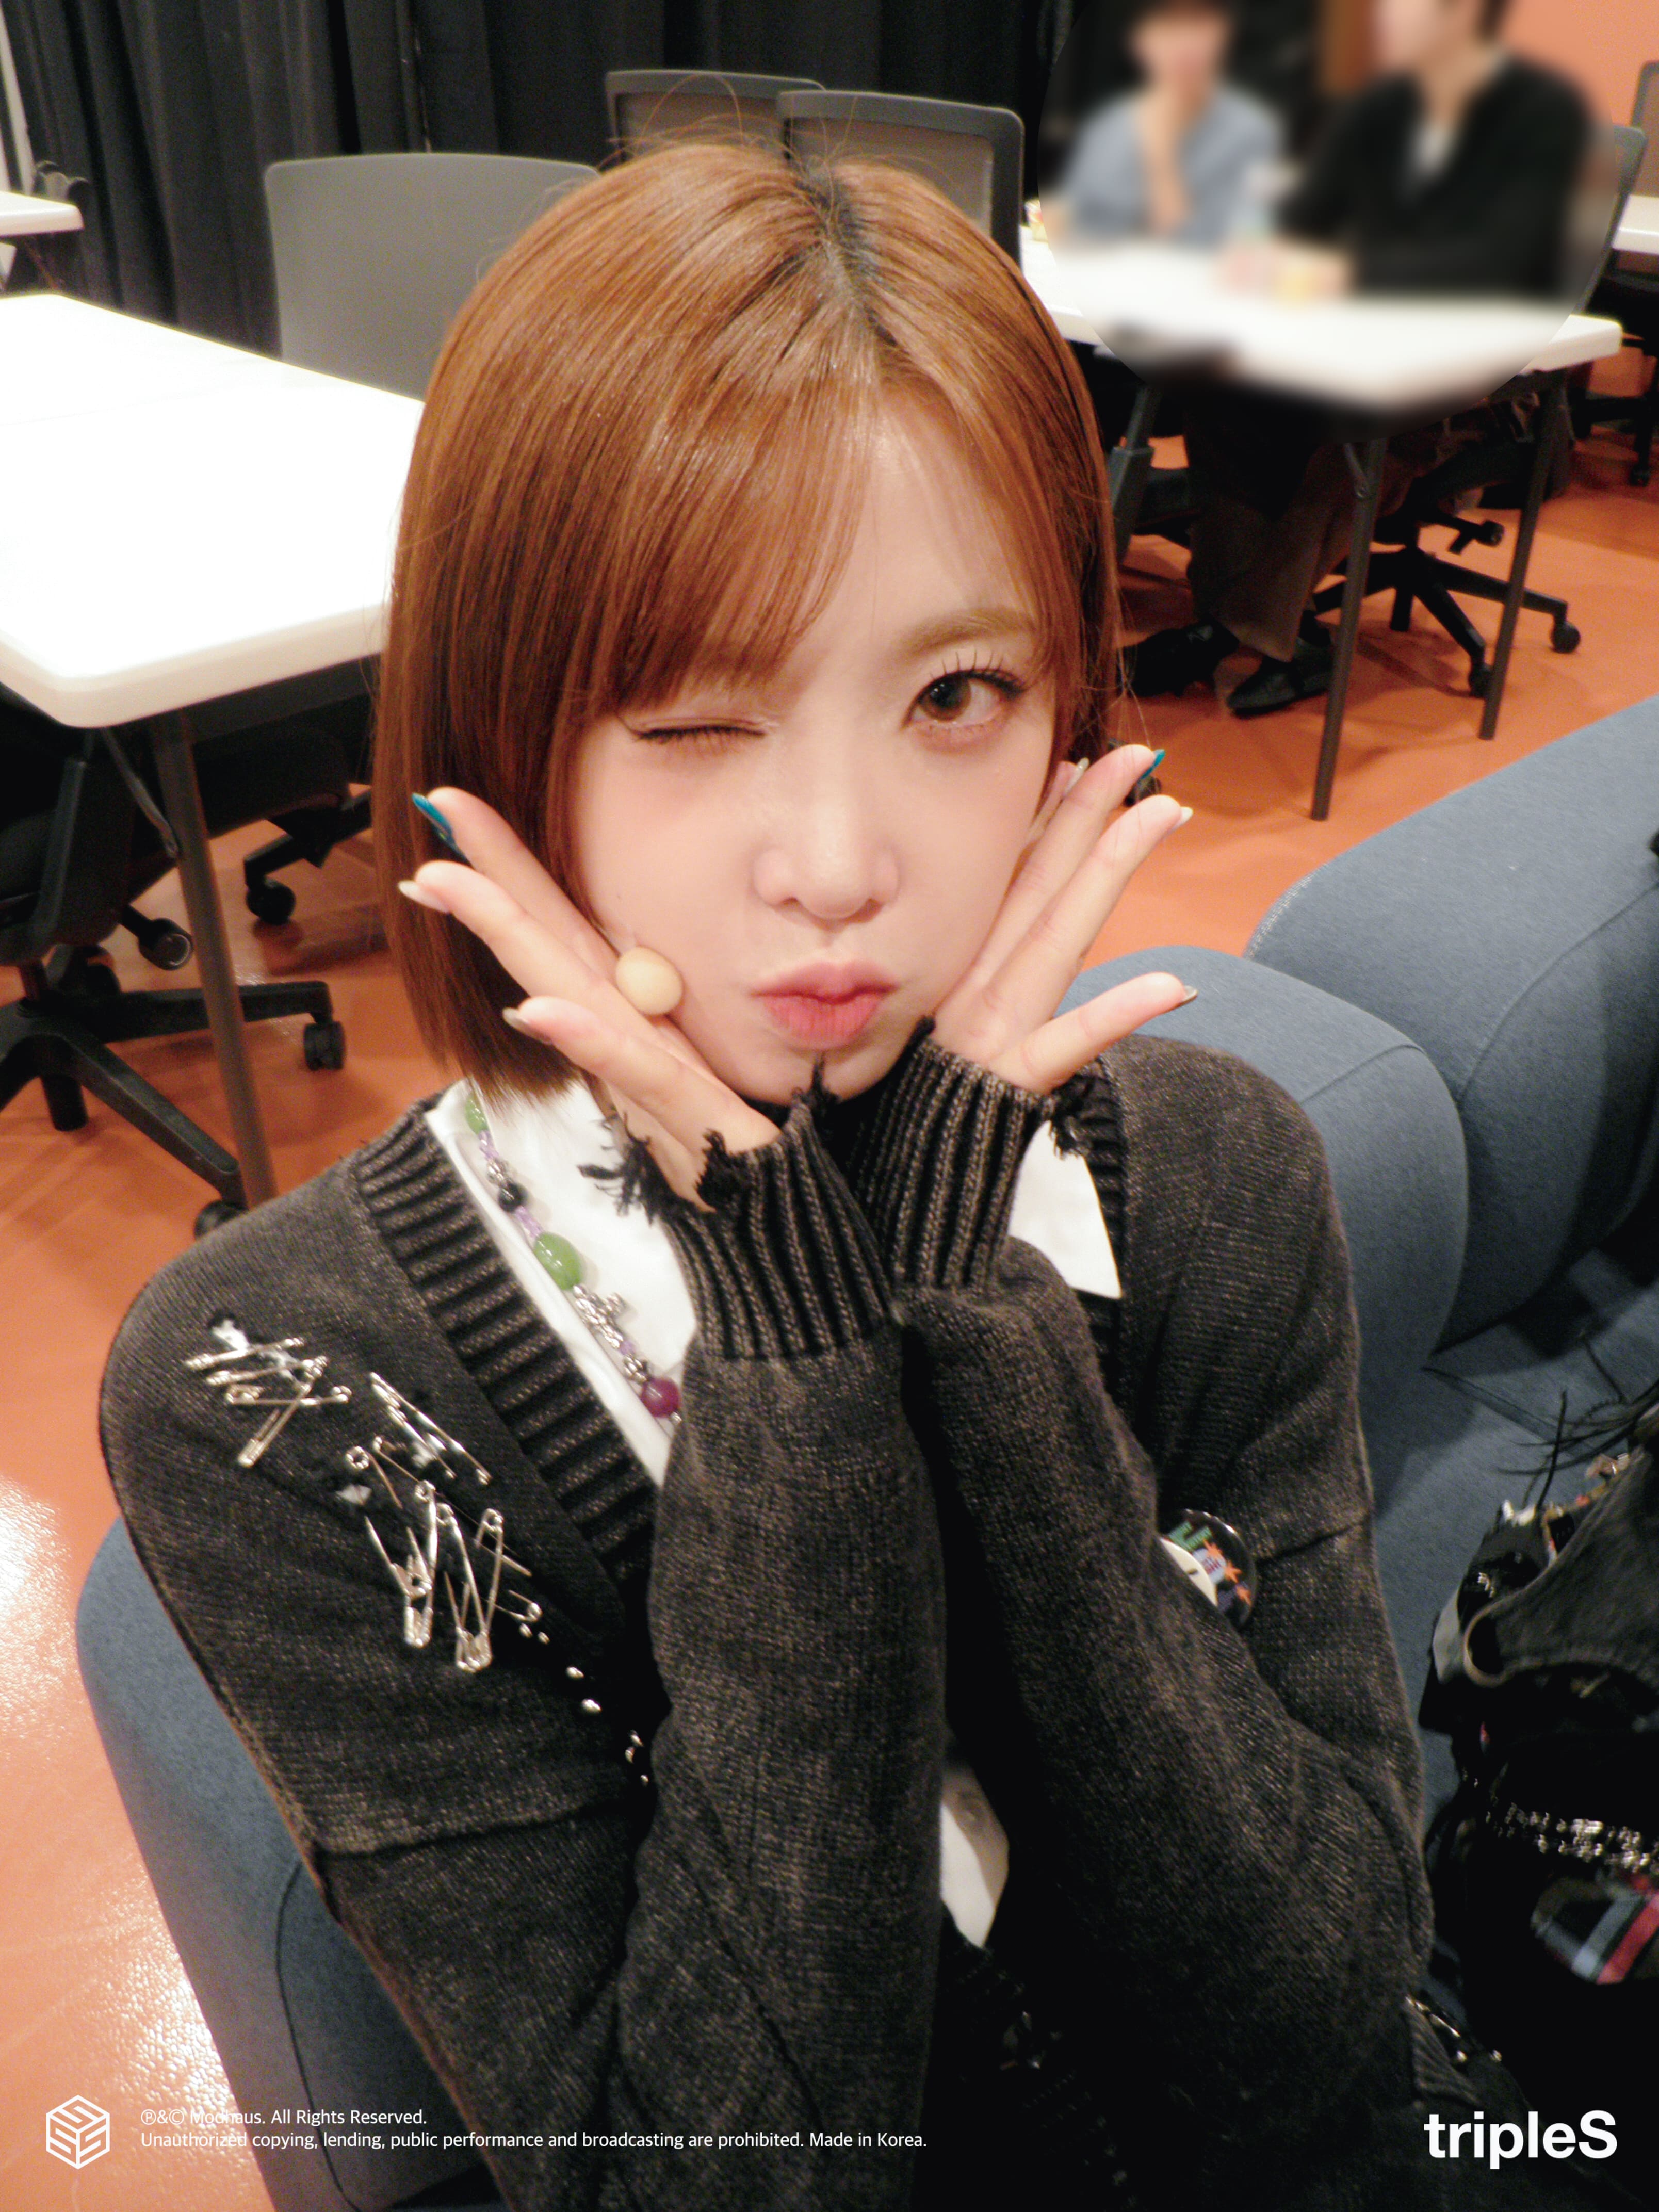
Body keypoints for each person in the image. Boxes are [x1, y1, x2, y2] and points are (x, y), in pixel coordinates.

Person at [99, 146, 1630, 2210]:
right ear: (499, 736)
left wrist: (967, 1323)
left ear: (1068, 712)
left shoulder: (1218, 1180)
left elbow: (1314, 2032)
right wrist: (803, 1359)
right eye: (694, 716)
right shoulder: (281, 1386)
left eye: (952, 694)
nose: (836, 863)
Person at [1130, 0, 1589, 718]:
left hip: (1485, 401)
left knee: (1357, 435)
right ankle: (1263, 630)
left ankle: (1230, 634)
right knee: (1221, 405)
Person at [1058, 0, 1282, 248]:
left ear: (1225, 32)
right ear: (1139, 41)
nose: (1184, 44)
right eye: (1167, 26)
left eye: (1198, 24)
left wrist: (1161, 157)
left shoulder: (1252, 132)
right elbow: (1075, 219)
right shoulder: (1106, 127)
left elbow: (1239, 243)